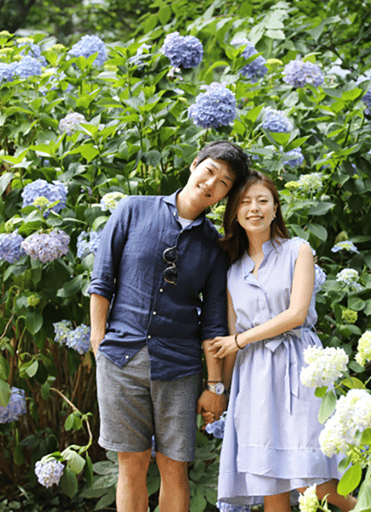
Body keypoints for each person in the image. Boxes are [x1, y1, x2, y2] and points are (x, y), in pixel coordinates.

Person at [88, 140, 249, 512]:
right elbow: (102, 281)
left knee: (174, 466)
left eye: (223, 183)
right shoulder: (133, 209)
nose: (211, 183)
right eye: (209, 171)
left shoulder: (214, 245)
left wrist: (215, 386)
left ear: (225, 195)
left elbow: (213, 320)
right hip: (120, 359)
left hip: (180, 366)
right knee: (132, 463)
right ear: (195, 165)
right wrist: (99, 342)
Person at [204, 171, 356, 512]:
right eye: (244, 202)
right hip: (253, 379)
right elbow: (229, 339)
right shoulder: (232, 270)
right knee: (269, 483)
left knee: (314, 483)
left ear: (275, 209)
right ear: (234, 214)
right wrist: (221, 393)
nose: (253, 208)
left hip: (299, 369)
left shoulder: (297, 250)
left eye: (262, 201)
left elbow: (296, 314)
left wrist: (240, 340)